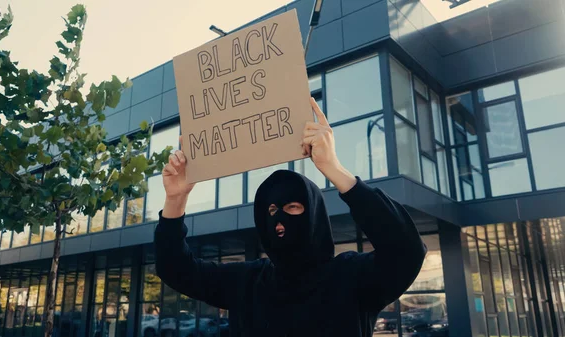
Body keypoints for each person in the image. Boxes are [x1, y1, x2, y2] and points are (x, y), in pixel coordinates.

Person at [155, 98, 427, 337]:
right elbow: (175, 269)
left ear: (314, 215)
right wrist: (175, 199)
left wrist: (333, 168)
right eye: (271, 211)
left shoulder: (351, 278)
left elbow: (406, 250)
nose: (279, 218)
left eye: (293, 207)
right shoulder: (246, 282)